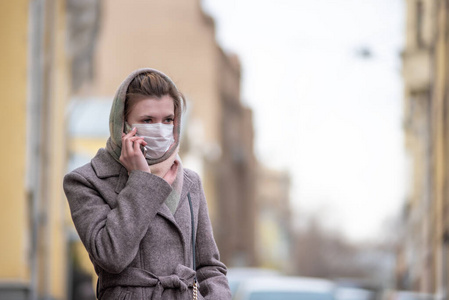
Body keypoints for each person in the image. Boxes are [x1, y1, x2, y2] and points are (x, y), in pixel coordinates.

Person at [63, 68, 232, 300]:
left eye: (168, 120)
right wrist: (141, 181)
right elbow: (112, 257)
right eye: (148, 120)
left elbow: (210, 268)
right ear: (122, 124)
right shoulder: (86, 181)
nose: (160, 129)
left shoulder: (190, 182)